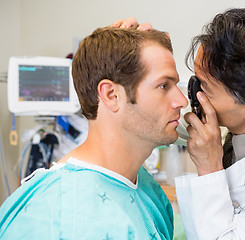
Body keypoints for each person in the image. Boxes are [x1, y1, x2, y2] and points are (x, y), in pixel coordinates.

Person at [114, 8, 245, 240]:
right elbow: (169, 117)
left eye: (204, 88)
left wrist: (209, 167)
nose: (190, 96)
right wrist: (139, 60)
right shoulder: (241, 123)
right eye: (195, 80)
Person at [0, 27, 188, 239]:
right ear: (111, 95)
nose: (182, 101)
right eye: (164, 86)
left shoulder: (144, 188)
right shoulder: (58, 214)